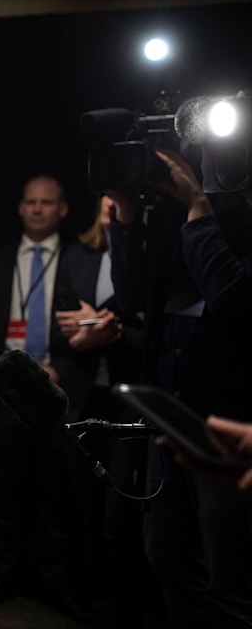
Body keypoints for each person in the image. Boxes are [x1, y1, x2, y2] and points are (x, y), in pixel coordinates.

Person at [107, 147, 252, 628]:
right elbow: (132, 300)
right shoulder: (173, 221)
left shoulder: (230, 220)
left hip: (231, 422)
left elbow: (232, 300)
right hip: (169, 419)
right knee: (168, 561)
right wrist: (126, 218)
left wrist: (198, 209)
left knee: (230, 579)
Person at [0, 174, 91, 620]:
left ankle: (58, 582)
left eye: (46, 203)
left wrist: (65, 370)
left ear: (63, 209)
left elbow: (92, 328)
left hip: (58, 396)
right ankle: (0, 575)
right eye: (30, 202)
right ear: (20, 208)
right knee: (3, 493)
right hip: (5, 395)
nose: (37, 209)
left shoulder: (78, 260)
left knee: (58, 495)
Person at [53, 192, 159, 629]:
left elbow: (149, 334)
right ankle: (93, 607)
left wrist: (100, 331)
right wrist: (88, 336)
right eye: (105, 191)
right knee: (84, 513)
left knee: (118, 520)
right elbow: (59, 335)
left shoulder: (147, 255)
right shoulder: (77, 256)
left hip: (126, 406)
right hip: (82, 403)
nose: (111, 199)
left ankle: (121, 612)